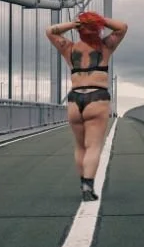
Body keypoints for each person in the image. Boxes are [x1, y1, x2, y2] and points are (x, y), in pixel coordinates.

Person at [45, 11, 128, 201]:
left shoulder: (69, 48)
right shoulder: (105, 47)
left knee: (80, 146)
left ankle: (83, 180)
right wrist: (97, 20)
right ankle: (87, 186)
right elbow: (122, 27)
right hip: (97, 98)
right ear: (97, 28)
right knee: (93, 146)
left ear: (80, 29)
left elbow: (50, 31)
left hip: (74, 100)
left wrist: (76, 23)